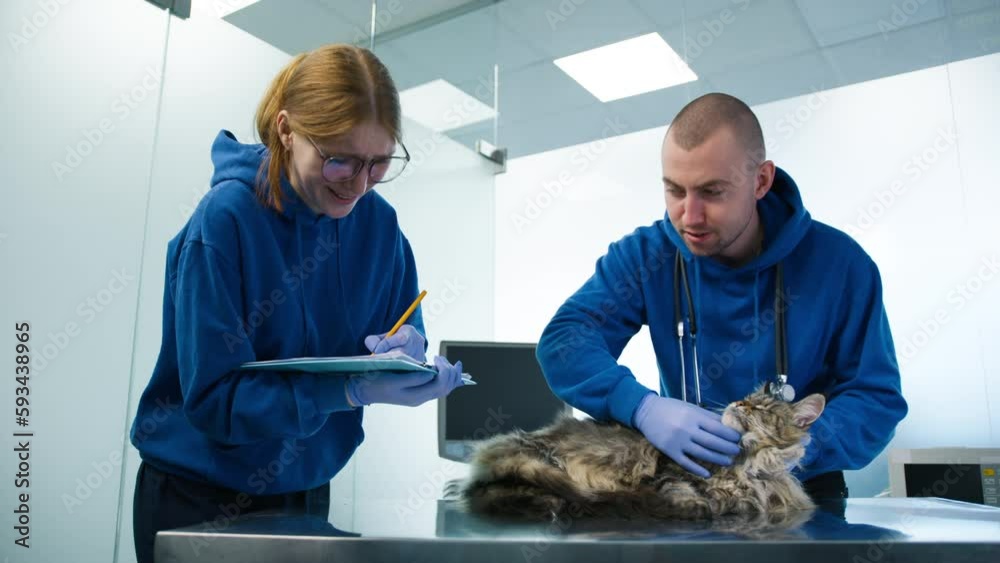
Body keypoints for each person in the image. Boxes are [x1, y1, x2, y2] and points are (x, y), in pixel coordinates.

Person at [129, 44, 465, 563]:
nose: (358, 185)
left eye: (378, 163)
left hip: (307, 487)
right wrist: (347, 389)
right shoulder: (224, 222)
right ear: (286, 130)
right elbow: (216, 402)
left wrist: (405, 354)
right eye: (339, 161)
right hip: (197, 495)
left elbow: (401, 321)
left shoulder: (379, 226)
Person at [536, 92, 907, 501]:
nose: (689, 217)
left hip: (799, 488)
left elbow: (875, 398)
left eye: (712, 192)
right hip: (688, 483)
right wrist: (640, 406)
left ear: (761, 181)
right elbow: (566, 340)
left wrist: (796, 449)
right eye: (675, 191)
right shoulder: (646, 256)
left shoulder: (842, 265)